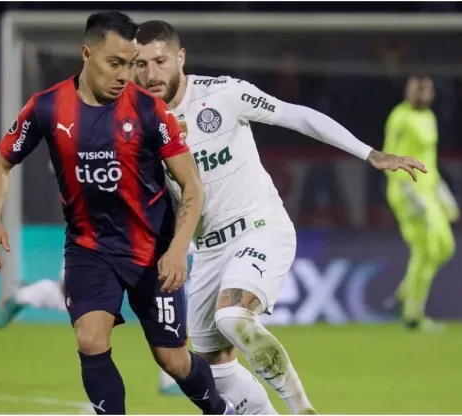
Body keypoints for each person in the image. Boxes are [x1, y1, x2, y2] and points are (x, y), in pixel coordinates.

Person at [132, 20, 427, 415]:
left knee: (234, 316)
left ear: (180, 57)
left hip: (258, 226)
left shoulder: (223, 95)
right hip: (205, 252)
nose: (151, 74)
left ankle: (302, 410)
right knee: (210, 370)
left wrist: (369, 153)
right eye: (141, 64)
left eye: (160, 61)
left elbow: (297, 116)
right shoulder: (133, 122)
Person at [0, 11, 234, 415]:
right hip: (88, 248)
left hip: (153, 251)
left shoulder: (149, 110)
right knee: (91, 340)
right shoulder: (46, 108)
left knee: (173, 361)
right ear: (86, 54)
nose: (125, 74)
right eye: (116, 63)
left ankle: (221, 410)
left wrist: (178, 247)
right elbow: (1, 162)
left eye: (131, 64)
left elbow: (192, 185)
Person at [382, 75, 458, 332]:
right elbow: (388, 156)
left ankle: (404, 294)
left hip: (429, 191)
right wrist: (408, 191)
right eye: (418, 89)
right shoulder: (400, 117)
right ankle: (413, 315)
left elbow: (430, 161)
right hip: (407, 192)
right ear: (409, 92)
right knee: (425, 250)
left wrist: (442, 193)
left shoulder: (429, 118)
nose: (423, 94)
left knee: (445, 247)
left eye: (427, 89)